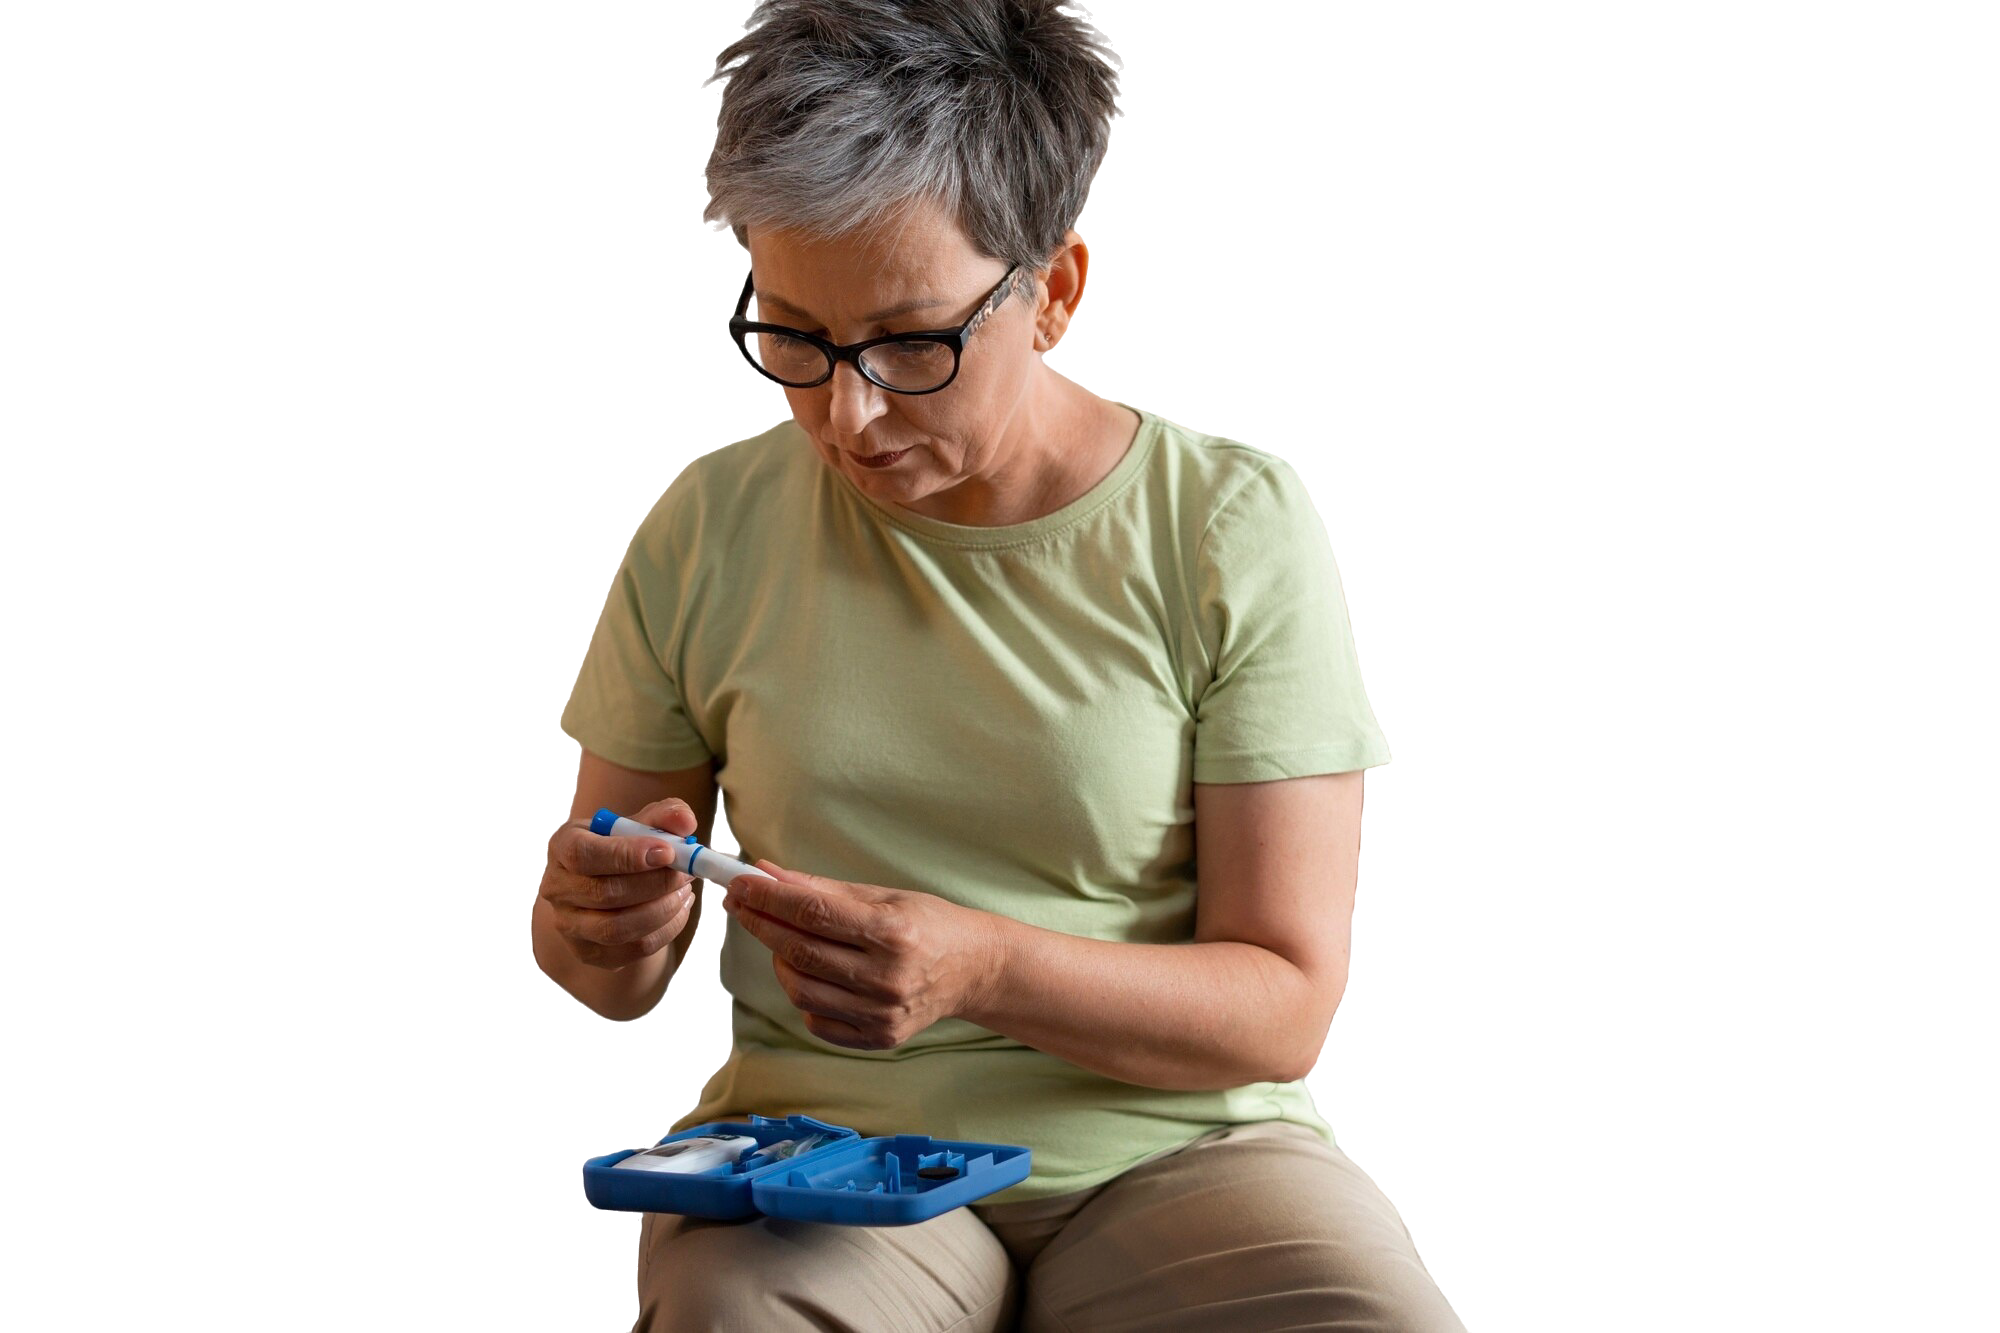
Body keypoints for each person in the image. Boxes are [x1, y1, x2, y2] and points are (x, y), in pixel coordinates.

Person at [533, 2, 1472, 1328]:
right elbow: (606, 975)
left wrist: (983, 969)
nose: (846, 414)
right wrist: (600, 929)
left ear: (1061, 292)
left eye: (912, 343)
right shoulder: (704, 520)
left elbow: (1292, 1006)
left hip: (1185, 1147)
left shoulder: (1234, 522)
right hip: (822, 1156)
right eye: (791, 335)